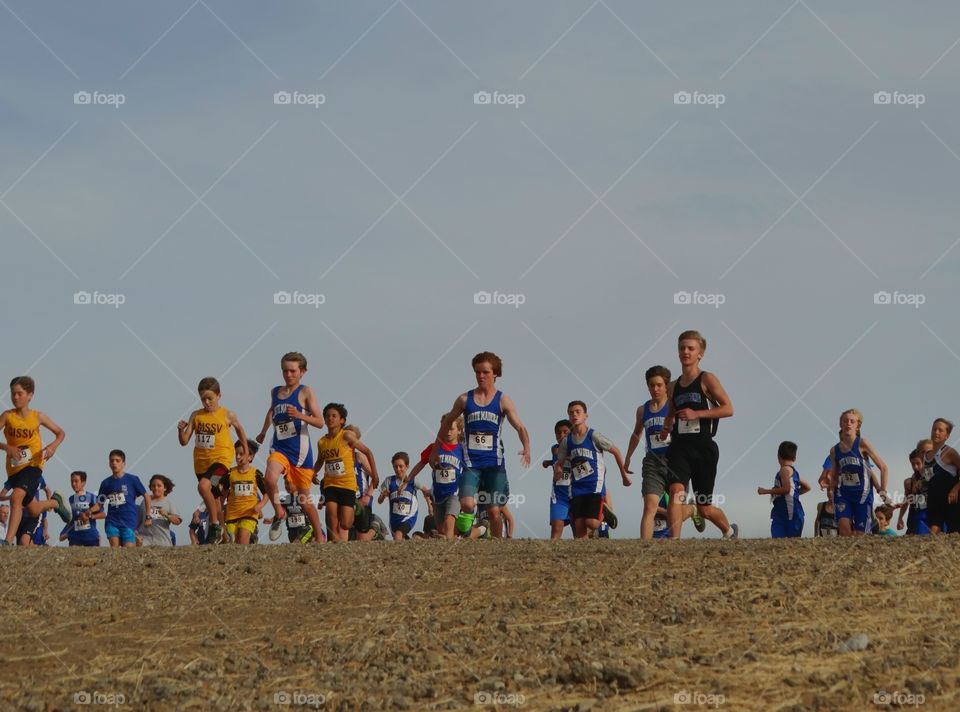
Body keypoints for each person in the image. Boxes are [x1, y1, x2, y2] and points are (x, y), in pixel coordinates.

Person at [434, 351, 531, 538]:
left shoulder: (503, 400)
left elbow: (519, 426)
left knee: (494, 511)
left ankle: (496, 546)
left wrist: (526, 447)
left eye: (485, 372)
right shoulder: (464, 399)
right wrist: (435, 449)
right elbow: (447, 422)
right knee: (467, 504)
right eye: (477, 372)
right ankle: (468, 529)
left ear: (495, 374)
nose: (481, 376)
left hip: (494, 465)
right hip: (471, 465)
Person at [659, 331, 738, 539]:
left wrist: (698, 413)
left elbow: (728, 409)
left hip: (703, 448)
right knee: (676, 491)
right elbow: (670, 414)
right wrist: (666, 428)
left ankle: (729, 531)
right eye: (682, 348)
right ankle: (673, 543)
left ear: (700, 354)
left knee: (705, 508)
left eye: (690, 348)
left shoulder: (707, 379)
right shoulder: (673, 386)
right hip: (679, 448)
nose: (685, 352)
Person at [626, 365, 706, 539]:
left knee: (673, 510)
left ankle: (691, 510)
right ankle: (643, 549)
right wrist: (628, 457)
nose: (655, 389)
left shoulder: (674, 405)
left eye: (659, 385)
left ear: (666, 386)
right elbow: (636, 434)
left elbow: (691, 429)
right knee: (650, 507)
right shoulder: (642, 410)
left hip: (676, 461)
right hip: (652, 462)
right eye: (651, 385)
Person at [255, 352, 323, 541]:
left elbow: (320, 422)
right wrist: (263, 431)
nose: (288, 375)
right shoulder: (275, 392)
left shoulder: (305, 391)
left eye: (293, 371)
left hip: (300, 453)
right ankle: (280, 512)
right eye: (285, 371)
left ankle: (319, 535)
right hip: (280, 448)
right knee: (269, 478)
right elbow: (271, 411)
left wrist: (300, 415)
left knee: (304, 500)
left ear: (302, 371)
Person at [177, 377, 249, 546]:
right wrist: (180, 431)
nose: (207, 402)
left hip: (221, 461)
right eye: (203, 399)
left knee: (203, 487)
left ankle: (215, 525)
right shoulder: (196, 415)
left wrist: (245, 451)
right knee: (215, 501)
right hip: (201, 463)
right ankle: (224, 538)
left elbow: (240, 430)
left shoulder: (227, 414)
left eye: (210, 398)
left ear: (219, 395)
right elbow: (184, 441)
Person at [0, 376, 70, 545]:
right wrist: (6, 447)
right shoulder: (7, 416)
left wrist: (53, 446)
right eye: (13, 394)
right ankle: (56, 502)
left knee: (17, 497)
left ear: (30, 395)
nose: (15, 397)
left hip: (33, 465)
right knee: (34, 509)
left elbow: (60, 433)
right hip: (14, 470)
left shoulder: (37, 417)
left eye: (20, 393)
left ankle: (7, 543)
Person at [553, 401, 631, 539]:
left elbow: (616, 451)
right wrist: (557, 470)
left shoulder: (594, 435)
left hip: (594, 486)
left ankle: (604, 512)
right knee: (579, 528)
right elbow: (559, 462)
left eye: (578, 412)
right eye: (571, 413)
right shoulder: (567, 441)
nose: (574, 415)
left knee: (592, 523)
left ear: (585, 416)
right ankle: (582, 557)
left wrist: (623, 475)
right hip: (576, 487)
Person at [315, 403, 379, 542]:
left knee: (345, 524)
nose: (330, 419)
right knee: (331, 515)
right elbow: (320, 460)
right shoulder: (322, 442)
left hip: (348, 485)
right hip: (330, 484)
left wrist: (375, 474)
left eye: (334, 416)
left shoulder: (346, 436)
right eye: (327, 416)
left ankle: (361, 513)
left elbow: (368, 451)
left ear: (342, 420)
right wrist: (313, 473)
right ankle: (336, 545)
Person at [827, 409, 889, 536]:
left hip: (863, 495)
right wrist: (831, 490)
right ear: (840, 424)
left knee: (861, 535)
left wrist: (882, 489)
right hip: (844, 494)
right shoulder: (834, 450)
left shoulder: (862, 444)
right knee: (844, 528)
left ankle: (870, 523)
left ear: (858, 425)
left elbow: (883, 467)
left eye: (852, 421)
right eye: (845, 421)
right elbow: (834, 474)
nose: (848, 424)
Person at [409, 415, 464, 540]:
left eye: (452, 429)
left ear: (459, 430)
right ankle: (454, 542)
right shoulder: (434, 448)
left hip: (454, 493)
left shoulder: (463, 450)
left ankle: (448, 554)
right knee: (441, 529)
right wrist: (408, 478)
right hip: (437, 495)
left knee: (449, 519)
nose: (448, 432)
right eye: (445, 428)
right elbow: (421, 463)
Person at [90, 450, 151, 548]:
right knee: (115, 548)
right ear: (109, 463)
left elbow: (147, 496)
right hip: (112, 520)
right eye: (112, 461)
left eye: (117, 461)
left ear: (124, 463)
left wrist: (148, 516)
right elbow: (99, 504)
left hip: (129, 520)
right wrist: (89, 511)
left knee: (129, 549)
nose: (114, 463)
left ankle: (137, 541)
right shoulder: (105, 483)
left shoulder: (133, 479)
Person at [758, 441, 811, 538]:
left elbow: (786, 489)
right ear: (794, 458)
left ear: (778, 457)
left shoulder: (784, 470)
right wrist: (794, 493)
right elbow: (808, 487)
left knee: (781, 543)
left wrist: (766, 491)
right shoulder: (794, 473)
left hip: (790, 515)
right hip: (788, 513)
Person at [222, 439, 266, 545]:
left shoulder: (256, 473)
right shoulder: (230, 473)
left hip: (249, 513)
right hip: (232, 515)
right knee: (230, 544)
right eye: (236, 453)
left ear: (250, 457)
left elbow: (267, 493)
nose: (237, 457)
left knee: (242, 539)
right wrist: (220, 508)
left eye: (241, 454)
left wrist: (260, 505)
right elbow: (222, 493)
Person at [379, 452, 430, 540]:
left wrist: (430, 506)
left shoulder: (413, 480)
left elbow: (425, 491)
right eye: (395, 466)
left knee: (399, 534)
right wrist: (383, 496)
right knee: (400, 539)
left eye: (401, 466)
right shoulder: (389, 481)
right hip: (394, 520)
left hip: (409, 516)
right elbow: (379, 501)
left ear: (407, 466)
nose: (398, 469)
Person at [923, 418, 960, 535]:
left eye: (940, 430)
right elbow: (929, 477)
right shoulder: (926, 456)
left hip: (951, 498)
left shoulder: (950, 452)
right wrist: (921, 482)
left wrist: (956, 488)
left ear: (947, 436)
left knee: (954, 532)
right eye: (934, 429)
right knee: (933, 531)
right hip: (934, 498)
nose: (936, 432)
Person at [543, 419, 573, 540]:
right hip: (559, 494)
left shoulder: (577, 448)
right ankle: (552, 555)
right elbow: (558, 456)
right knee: (557, 525)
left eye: (565, 432)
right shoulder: (554, 448)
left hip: (576, 493)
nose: (561, 435)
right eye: (558, 433)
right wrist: (550, 462)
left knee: (579, 529)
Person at [61, 471, 103, 547]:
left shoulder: (92, 497)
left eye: (76, 481)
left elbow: (103, 514)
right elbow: (72, 519)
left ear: (83, 482)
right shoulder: (71, 499)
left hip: (90, 536)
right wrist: (64, 532)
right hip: (75, 537)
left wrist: (89, 516)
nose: (73, 484)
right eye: (72, 481)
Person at [138, 475, 181, 546]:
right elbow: (138, 519)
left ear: (165, 488)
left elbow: (177, 521)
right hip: (144, 540)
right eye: (153, 486)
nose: (156, 488)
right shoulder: (144, 502)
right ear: (150, 487)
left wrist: (167, 515)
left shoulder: (168, 504)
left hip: (162, 541)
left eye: (159, 486)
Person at [896, 449, 930, 535]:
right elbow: (906, 500)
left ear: (923, 462)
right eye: (912, 464)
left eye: (918, 463)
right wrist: (900, 518)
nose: (915, 467)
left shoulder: (930, 477)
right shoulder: (908, 482)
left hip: (927, 516)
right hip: (913, 517)